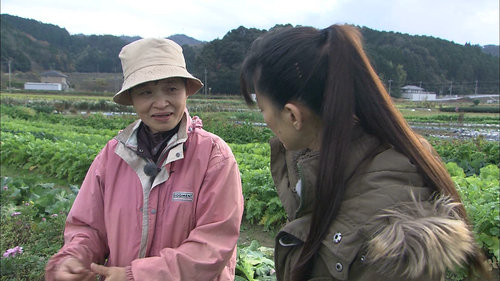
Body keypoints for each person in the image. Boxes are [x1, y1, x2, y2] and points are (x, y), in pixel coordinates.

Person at [240, 25, 491, 281]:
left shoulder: (392, 234)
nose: (265, 120)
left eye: (262, 109)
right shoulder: (325, 164)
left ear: (293, 115)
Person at [45, 38, 244, 281]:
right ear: (132, 98)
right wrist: (74, 258)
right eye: (146, 92)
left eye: (171, 89)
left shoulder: (213, 155)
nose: (161, 103)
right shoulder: (113, 154)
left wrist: (137, 276)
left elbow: (214, 243)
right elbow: (88, 227)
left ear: (185, 91)